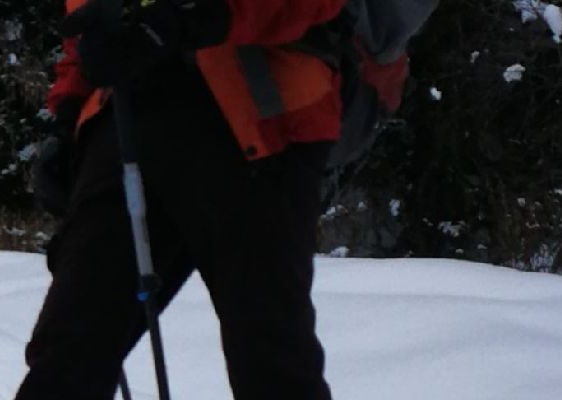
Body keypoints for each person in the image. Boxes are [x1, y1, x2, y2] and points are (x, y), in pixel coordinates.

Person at [20, 0, 341, 398]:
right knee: (68, 348)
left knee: (270, 356)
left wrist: (191, 18)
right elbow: (86, 25)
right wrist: (70, 115)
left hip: (260, 121)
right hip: (125, 118)